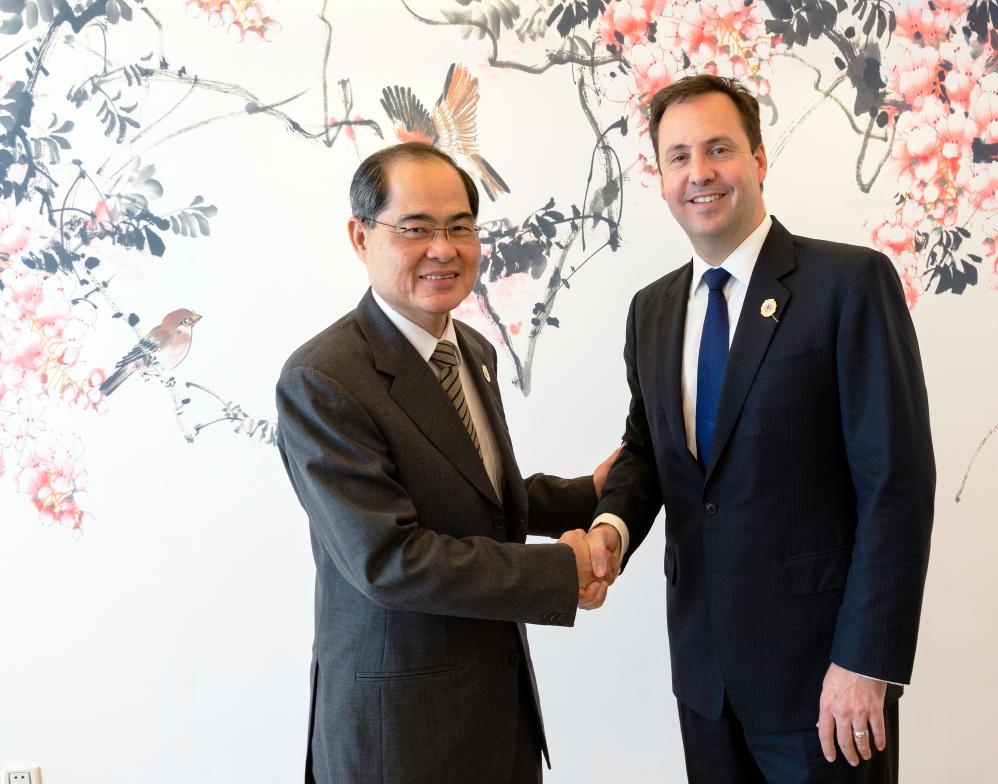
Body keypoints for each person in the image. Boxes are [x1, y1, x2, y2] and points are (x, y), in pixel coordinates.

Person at [585, 75, 936, 782]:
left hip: (826, 686)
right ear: (661, 178)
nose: (700, 173)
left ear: (759, 160)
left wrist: (866, 661)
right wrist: (610, 531)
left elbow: (895, 484)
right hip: (706, 683)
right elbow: (650, 455)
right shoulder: (650, 312)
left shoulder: (848, 284)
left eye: (720, 149)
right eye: (679, 156)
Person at [275, 142, 613, 784]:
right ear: (360, 235)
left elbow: (474, 492)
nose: (444, 248)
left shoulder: (471, 350)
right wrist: (560, 571)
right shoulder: (323, 379)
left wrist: (584, 494)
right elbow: (389, 559)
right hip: (400, 733)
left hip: (498, 712)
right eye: (416, 228)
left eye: (460, 227)